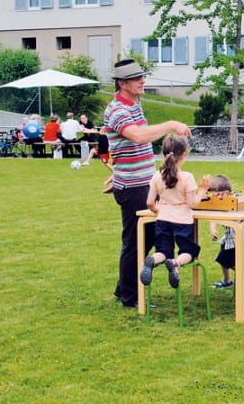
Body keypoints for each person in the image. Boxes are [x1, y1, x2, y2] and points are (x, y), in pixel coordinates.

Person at [104, 59, 193, 309]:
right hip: (133, 188)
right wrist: (172, 125)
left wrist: (120, 171)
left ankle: (124, 287)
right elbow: (138, 135)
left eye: (142, 76)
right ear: (122, 84)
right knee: (136, 242)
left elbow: (126, 145)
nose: (142, 81)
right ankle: (130, 297)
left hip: (141, 182)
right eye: (136, 78)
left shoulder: (134, 105)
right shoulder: (117, 110)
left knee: (150, 237)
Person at [139, 134, 206, 289]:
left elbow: (149, 202)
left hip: (163, 219)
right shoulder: (187, 177)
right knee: (189, 251)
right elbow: (192, 204)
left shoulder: (157, 176)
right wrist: (202, 190)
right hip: (183, 221)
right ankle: (176, 263)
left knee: (163, 250)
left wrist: (157, 210)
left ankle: (153, 260)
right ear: (184, 154)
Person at [207, 175, 244, 289]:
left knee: (227, 260)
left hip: (237, 237)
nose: (216, 197)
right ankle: (227, 280)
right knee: (223, 260)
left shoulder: (233, 202)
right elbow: (213, 215)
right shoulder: (218, 202)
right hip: (228, 238)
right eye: (214, 195)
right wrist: (213, 229)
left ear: (227, 193)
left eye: (218, 195)